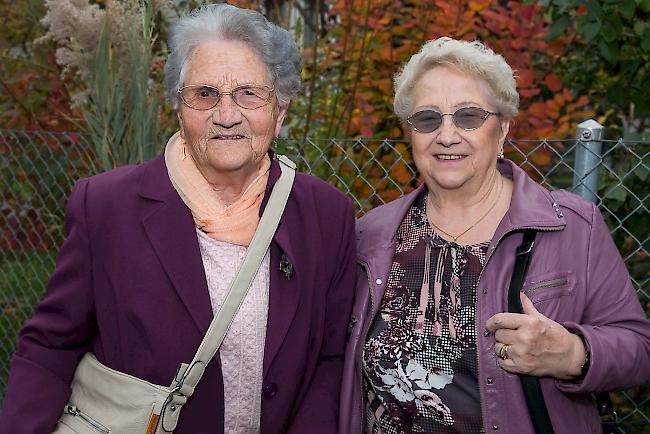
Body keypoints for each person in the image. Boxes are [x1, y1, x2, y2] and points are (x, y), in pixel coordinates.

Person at [0, 4, 356, 433]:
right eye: (205, 94)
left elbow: (330, 359)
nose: (227, 115)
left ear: (279, 112)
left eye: (249, 93)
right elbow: (50, 345)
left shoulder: (327, 215)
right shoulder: (107, 207)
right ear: (178, 107)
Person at [339, 37, 650, 434]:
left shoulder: (571, 226)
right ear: (411, 134)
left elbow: (639, 349)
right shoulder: (372, 234)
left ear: (502, 128)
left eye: (468, 117)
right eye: (428, 119)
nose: (447, 135)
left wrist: (574, 354)